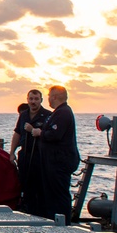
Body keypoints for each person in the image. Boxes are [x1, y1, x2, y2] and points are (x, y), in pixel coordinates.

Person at [30, 85, 80, 221]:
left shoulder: (63, 113)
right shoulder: (58, 113)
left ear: (54, 97)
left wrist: (40, 132)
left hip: (59, 162)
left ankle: (62, 222)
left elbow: (55, 134)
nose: (48, 100)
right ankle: (54, 219)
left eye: (49, 96)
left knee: (59, 194)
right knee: (52, 193)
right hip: (52, 161)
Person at [9, 89, 50, 213]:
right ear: (27, 100)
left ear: (41, 100)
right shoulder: (24, 115)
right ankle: (26, 209)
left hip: (40, 156)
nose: (33, 102)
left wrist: (33, 130)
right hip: (25, 154)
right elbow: (17, 133)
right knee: (25, 184)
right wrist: (12, 152)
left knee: (40, 187)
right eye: (31, 99)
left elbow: (51, 136)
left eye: (36, 99)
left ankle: (40, 212)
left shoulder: (48, 115)